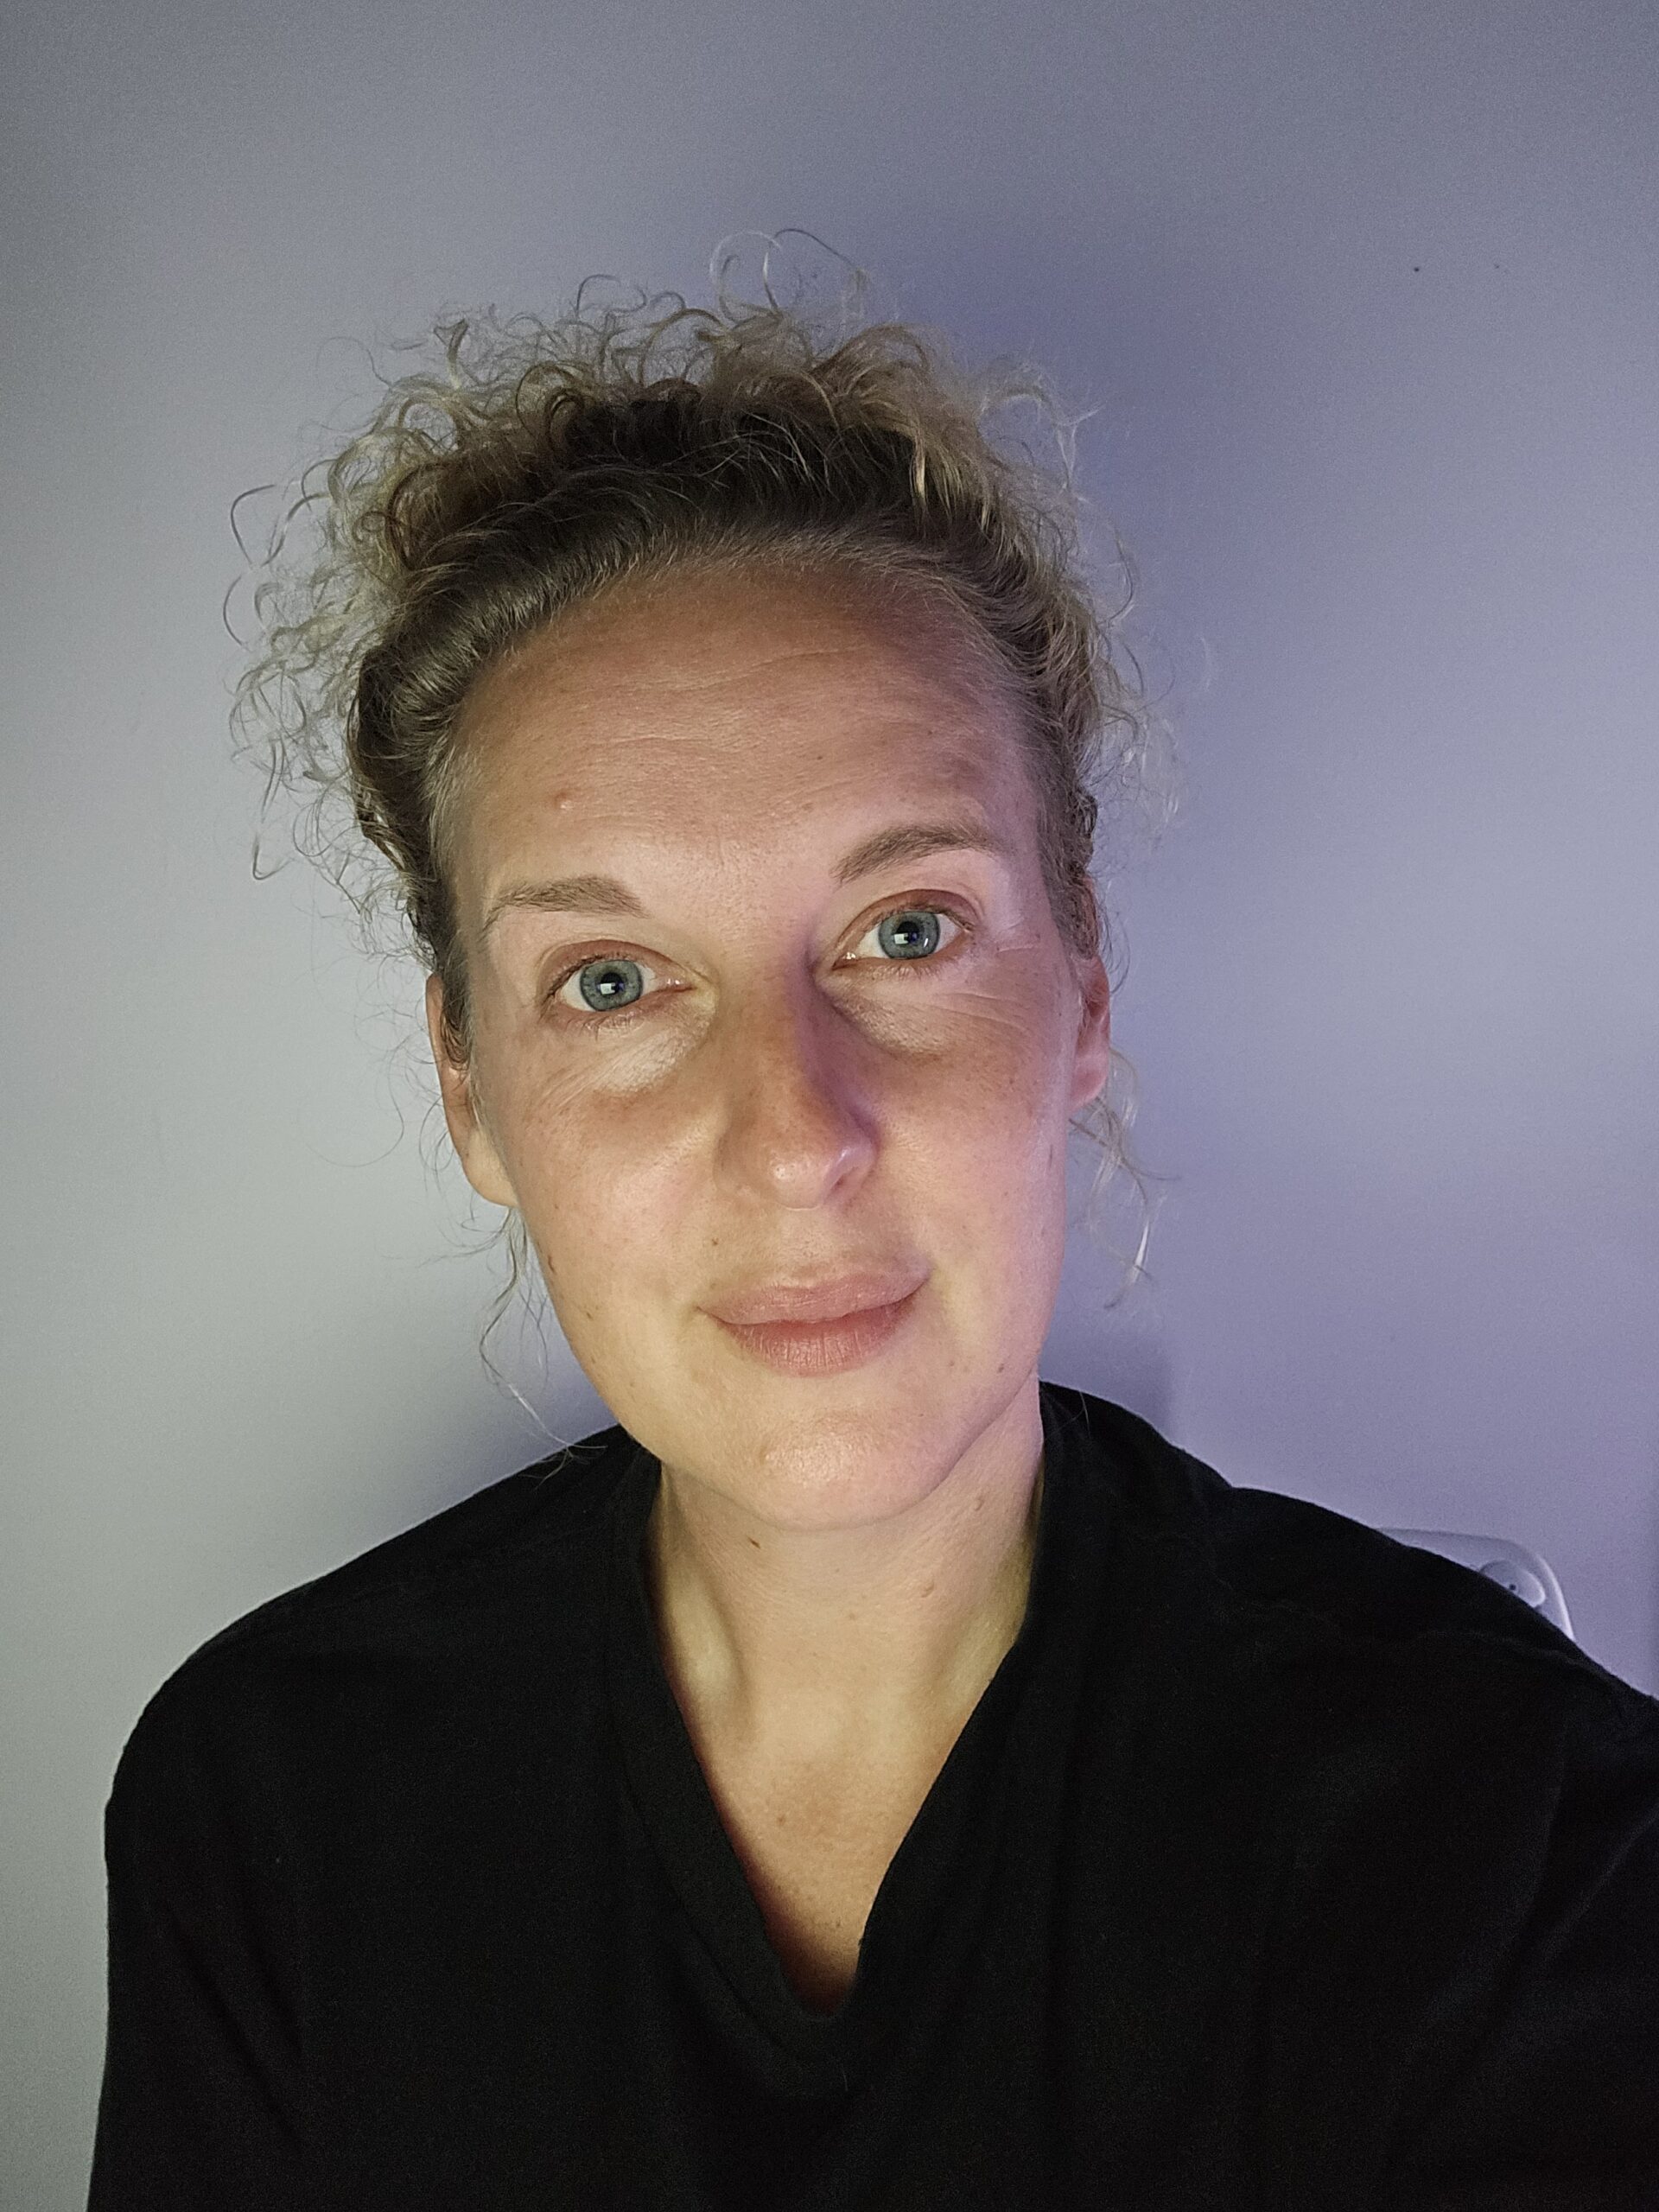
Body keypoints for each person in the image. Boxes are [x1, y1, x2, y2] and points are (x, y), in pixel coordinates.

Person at [88, 254, 1659, 2209]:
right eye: (611, 981)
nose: (792, 1139)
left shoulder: (1520, 1833)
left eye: (906, 931)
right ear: (472, 1087)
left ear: (1082, 992)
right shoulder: (272, 1804)